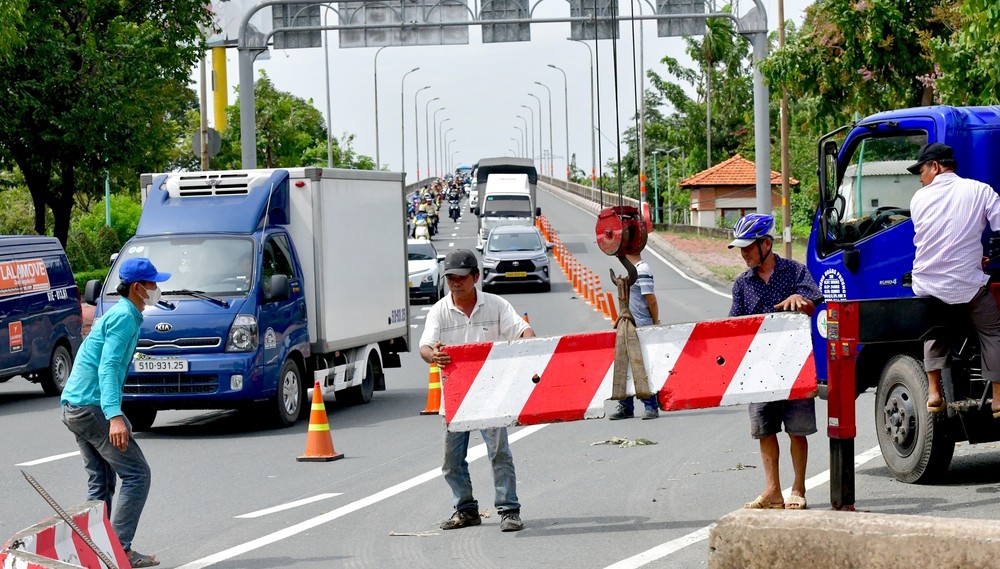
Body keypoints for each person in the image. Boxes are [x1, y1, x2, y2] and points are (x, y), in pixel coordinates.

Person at [60, 257, 170, 568]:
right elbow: (107, 367)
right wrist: (115, 416)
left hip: (74, 404)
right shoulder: (124, 317)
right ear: (138, 288)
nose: (157, 289)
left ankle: (94, 551)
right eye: (153, 284)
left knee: (101, 479)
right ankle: (118, 551)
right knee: (137, 474)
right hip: (91, 405)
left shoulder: (120, 314)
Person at [419, 249, 535, 532]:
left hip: (492, 396)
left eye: (460, 277)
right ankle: (466, 509)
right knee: (451, 461)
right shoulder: (440, 311)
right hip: (456, 399)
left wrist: (529, 346)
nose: (455, 283)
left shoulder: (495, 306)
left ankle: (509, 509)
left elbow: (523, 331)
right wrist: (433, 356)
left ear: (475, 277)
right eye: (450, 278)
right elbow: (425, 347)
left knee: (499, 453)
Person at [728, 213, 821, 511]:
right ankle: (772, 491)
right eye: (740, 248)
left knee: (797, 429)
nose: (743, 253)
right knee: (765, 429)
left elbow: (812, 304)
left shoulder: (795, 272)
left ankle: (798, 487)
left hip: (794, 365)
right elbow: (733, 324)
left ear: (766, 244)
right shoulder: (742, 284)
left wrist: (800, 301)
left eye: (748, 247)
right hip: (759, 368)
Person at [907, 142, 1000, 416]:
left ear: (935, 166)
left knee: (933, 329)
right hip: (968, 285)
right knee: (993, 331)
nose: (921, 178)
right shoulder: (980, 190)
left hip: (928, 285)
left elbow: (936, 239)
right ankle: (997, 398)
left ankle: (934, 392)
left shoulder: (918, 199)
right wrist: (988, 255)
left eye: (921, 171)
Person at [609, 250, 661, 420]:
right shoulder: (632, 271)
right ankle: (626, 406)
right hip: (627, 324)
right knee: (624, 365)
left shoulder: (642, 269)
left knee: (642, 366)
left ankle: (651, 406)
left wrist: (654, 321)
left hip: (642, 327)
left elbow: (651, 299)